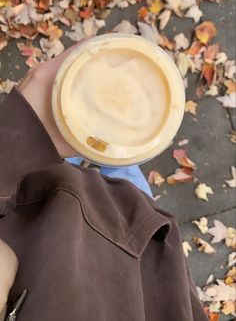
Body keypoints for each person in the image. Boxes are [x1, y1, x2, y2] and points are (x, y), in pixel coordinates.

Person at [0, 39, 208, 321]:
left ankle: (81, 155)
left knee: (79, 151)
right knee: (121, 166)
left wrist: (19, 140)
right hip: (141, 239)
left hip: (44, 200)